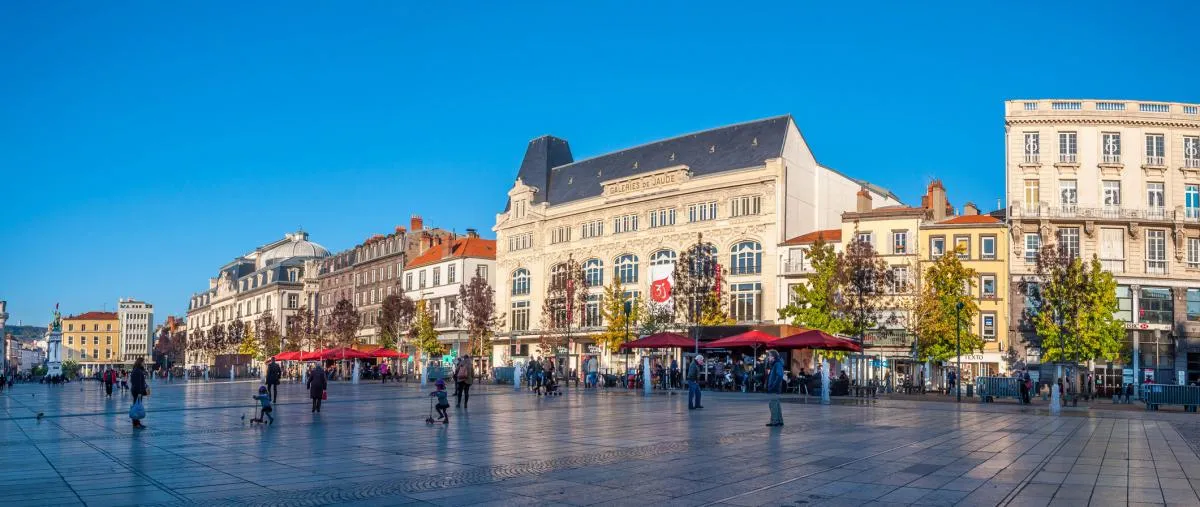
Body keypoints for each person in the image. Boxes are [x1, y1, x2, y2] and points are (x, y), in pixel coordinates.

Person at [130, 357, 148, 429]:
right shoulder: (137, 371)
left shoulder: (138, 370)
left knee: (137, 406)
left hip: (137, 391)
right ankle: (135, 423)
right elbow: (137, 383)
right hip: (137, 391)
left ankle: (137, 422)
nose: (144, 363)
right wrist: (139, 392)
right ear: (140, 362)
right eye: (143, 362)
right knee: (136, 407)